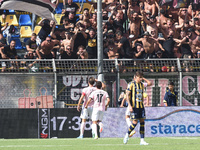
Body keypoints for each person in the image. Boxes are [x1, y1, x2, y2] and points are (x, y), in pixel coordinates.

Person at [123, 71, 152, 145]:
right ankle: (127, 134)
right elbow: (127, 95)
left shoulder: (142, 84)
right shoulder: (131, 84)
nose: (141, 79)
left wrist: (143, 78)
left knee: (142, 122)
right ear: (135, 77)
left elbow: (150, 83)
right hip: (134, 106)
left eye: (141, 77)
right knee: (135, 122)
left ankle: (142, 140)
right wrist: (129, 105)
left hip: (141, 106)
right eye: (140, 77)